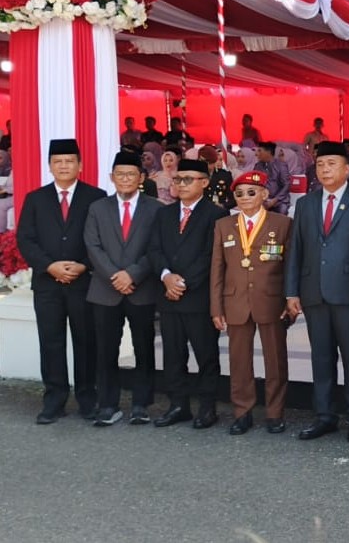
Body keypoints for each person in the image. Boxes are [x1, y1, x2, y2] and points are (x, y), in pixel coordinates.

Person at [284, 141, 349, 442]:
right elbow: (295, 249)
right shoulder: (306, 204)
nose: (325, 169)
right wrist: (291, 292)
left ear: (347, 170)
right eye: (321, 165)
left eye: (331, 164)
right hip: (313, 292)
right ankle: (325, 416)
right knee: (321, 358)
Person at [16, 139, 107, 424]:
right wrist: (49, 265)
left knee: (86, 342)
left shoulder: (96, 196)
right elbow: (25, 239)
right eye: (58, 162)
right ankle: (54, 400)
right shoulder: (35, 198)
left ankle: (87, 398)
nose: (64, 166)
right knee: (51, 342)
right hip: (48, 284)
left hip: (84, 283)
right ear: (50, 166)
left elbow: (102, 239)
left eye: (69, 161)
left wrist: (84, 265)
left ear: (80, 165)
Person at [209, 170, 294, 436]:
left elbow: (291, 265)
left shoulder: (282, 224)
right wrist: (216, 307)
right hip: (235, 302)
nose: (245, 197)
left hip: (271, 301)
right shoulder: (224, 225)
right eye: (239, 193)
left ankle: (274, 412)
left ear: (265, 194)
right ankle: (242, 412)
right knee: (239, 361)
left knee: (276, 360)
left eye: (251, 192)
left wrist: (289, 298)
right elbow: (217, 269)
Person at [149, 159, 229, 428]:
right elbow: (154, 249)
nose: (181, 184)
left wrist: (183, 283)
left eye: (188, 179)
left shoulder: (216, 215)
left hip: (198, 297)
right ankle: (178, 405)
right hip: (168, 295)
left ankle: (208, 407)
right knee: (172, 354)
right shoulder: (163, 214)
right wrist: (166, 277)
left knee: (206, 354)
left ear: (204, 183)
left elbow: (211, 256)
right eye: (178, 179)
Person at [83, 151, 160, 426]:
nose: (125, 179)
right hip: (105, 289)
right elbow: (92, 246)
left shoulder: (156, 208)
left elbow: (157, 248)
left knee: (144, 349)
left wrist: (133, 274)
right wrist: (115, 275)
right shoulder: (98, 208)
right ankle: (107, 404)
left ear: (141, 178)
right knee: (105, 350)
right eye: (120, 174)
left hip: (142, 289)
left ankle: (141, 403)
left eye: (131, 174)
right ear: (111, 178)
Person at [253, 142, 291, 215]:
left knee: (282, 212)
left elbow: (287, 185)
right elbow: (254, 183)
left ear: (268, 152)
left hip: (279, 201)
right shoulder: (258, 166)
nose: (256, 154)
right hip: (262, 200)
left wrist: (274, 200)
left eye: (260, 151)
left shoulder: (281, 165)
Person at [200, 144, 235, 211]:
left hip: (218, 212)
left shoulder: (224, 175)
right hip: (199, 212)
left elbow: (234, 199)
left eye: (209, 161)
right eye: (202, 161)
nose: (206, 164)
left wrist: (223, 205)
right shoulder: (195, 175)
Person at [0, 149, 14, 232]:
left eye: (0, 158)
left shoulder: (11, 170)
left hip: (13, 195)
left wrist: (4, 190)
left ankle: (1, 231)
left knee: (1, 204)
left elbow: (16, 187)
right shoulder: (1, 170)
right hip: (5, 195)